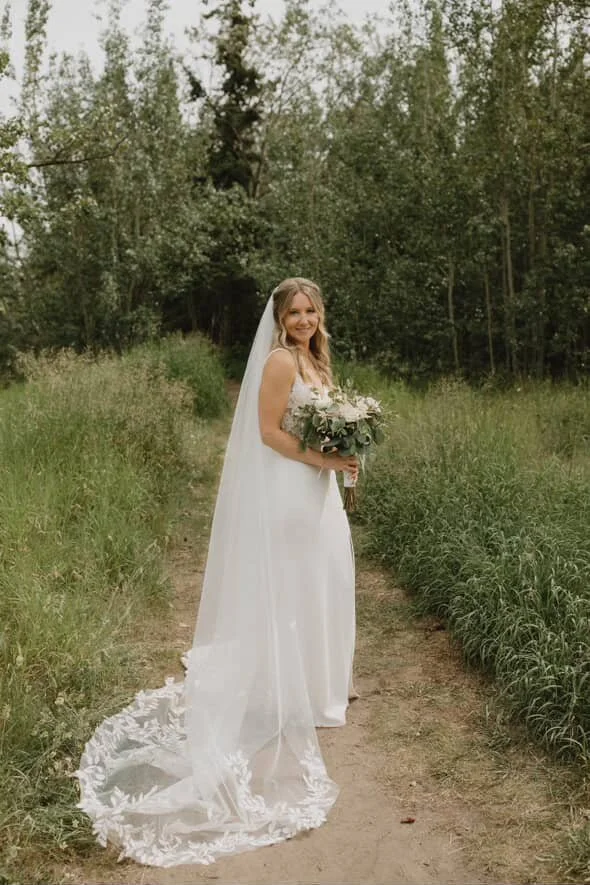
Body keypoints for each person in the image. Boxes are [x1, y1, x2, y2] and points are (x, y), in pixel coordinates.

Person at [75, 277, 357, 868]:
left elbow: (323, 422)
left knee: (326, 578)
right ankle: (286, 693)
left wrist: (346, 452)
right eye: (295, 312)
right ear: (280, 318)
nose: (304, 320)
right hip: (291, 486)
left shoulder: (315, 357)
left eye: (312, 311)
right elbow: (268, 432)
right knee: (293, 583)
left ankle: (318, 687)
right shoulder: (281, 360)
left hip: (321, 488)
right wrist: (323, 457)